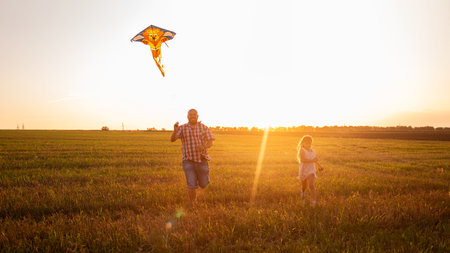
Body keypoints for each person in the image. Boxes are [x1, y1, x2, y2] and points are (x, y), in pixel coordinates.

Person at [170, 109, 215, 206]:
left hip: (202, 160)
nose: (192, 116)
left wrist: (204, 146)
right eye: (190, 115)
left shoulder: (204, 128)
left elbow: (211, 142)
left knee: (203, 184)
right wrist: (174, 131)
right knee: (191, 185)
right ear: (187, 116)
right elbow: (172, 139)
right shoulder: (182, 128)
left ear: (197, 116)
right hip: (188, 161)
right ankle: (192, 204)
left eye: (194, 114)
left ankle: (200, 180)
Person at [297, 135, 324, 206]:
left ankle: (314, 201)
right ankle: (303, 193)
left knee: (311, 185)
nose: (308, 144)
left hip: (311, 170)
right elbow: (303, 160)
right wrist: (312, 160)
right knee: (304, 186)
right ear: (303, 143)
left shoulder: (313, 151)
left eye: (310, 143)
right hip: (303, 169)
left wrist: (319, 166)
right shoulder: (302, 150)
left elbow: (315, 160)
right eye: (306, 143)